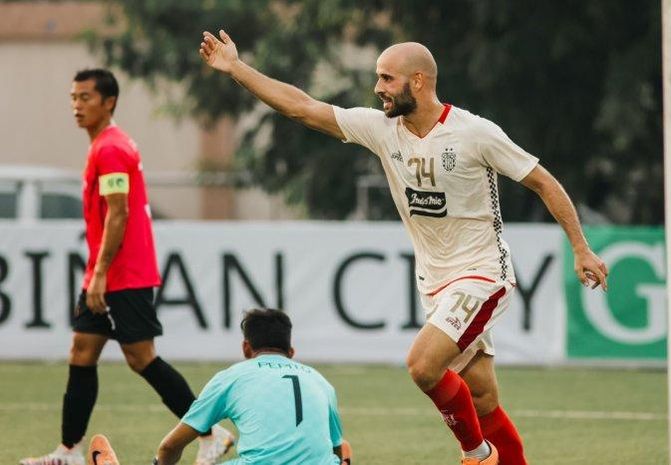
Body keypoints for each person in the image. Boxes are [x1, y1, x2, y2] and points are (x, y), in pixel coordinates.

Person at [198, 31, 610, 465]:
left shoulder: (475, 133)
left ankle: (477, 455)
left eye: (386, 78)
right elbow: (302, 107)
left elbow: (543, 181)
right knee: (483, 400)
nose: (378, 88)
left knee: (422, 365)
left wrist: (581, 249)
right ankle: (492, 451)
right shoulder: (382, 130)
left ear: (418, 81)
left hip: (483, 274)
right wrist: (236, 68)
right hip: (435, 284)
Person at [20, 69, 234, 465]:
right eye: (73, 97)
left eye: (86, 98)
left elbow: (118, 215)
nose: (77, 106)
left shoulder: (112, 148)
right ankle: (68, 451)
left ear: (109, 102)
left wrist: (100, 273)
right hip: (105, 272)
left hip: (123, 274)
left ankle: (211, 433)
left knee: (141, 357)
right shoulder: (103, 145)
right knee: (82, 351)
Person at [87, 309, 352, 465]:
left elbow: (169, 448)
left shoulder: (232, 377)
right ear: (291, 351)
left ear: (246, 348)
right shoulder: (321, 382)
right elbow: (338, 450)